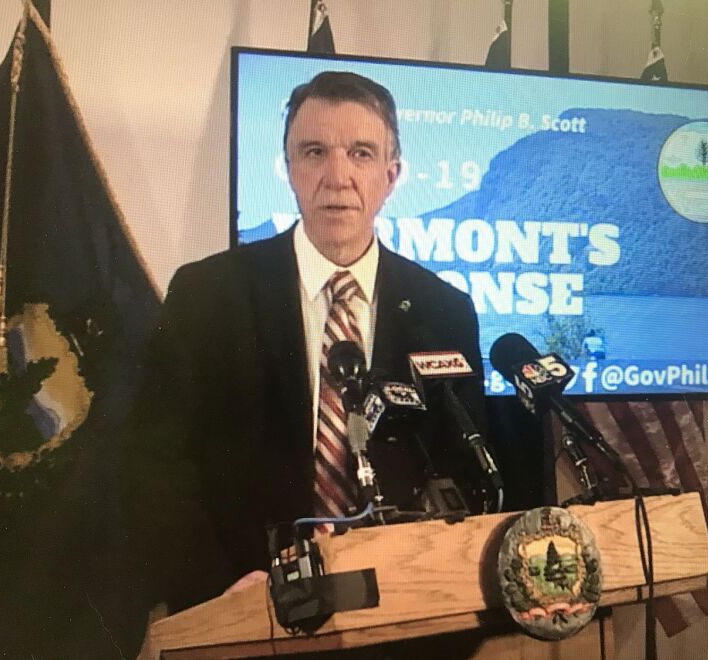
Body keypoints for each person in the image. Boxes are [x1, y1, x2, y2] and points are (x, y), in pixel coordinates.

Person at [123, 71, 487, 618]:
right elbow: (154, 466)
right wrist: (217, 592)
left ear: (391, 177)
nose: (337, 177)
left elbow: (466, 470)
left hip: (402, 616)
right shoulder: (208, 295)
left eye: (360, 153)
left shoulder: (444, 311)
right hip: (244, 611)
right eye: (314, 152)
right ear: (289, 170)